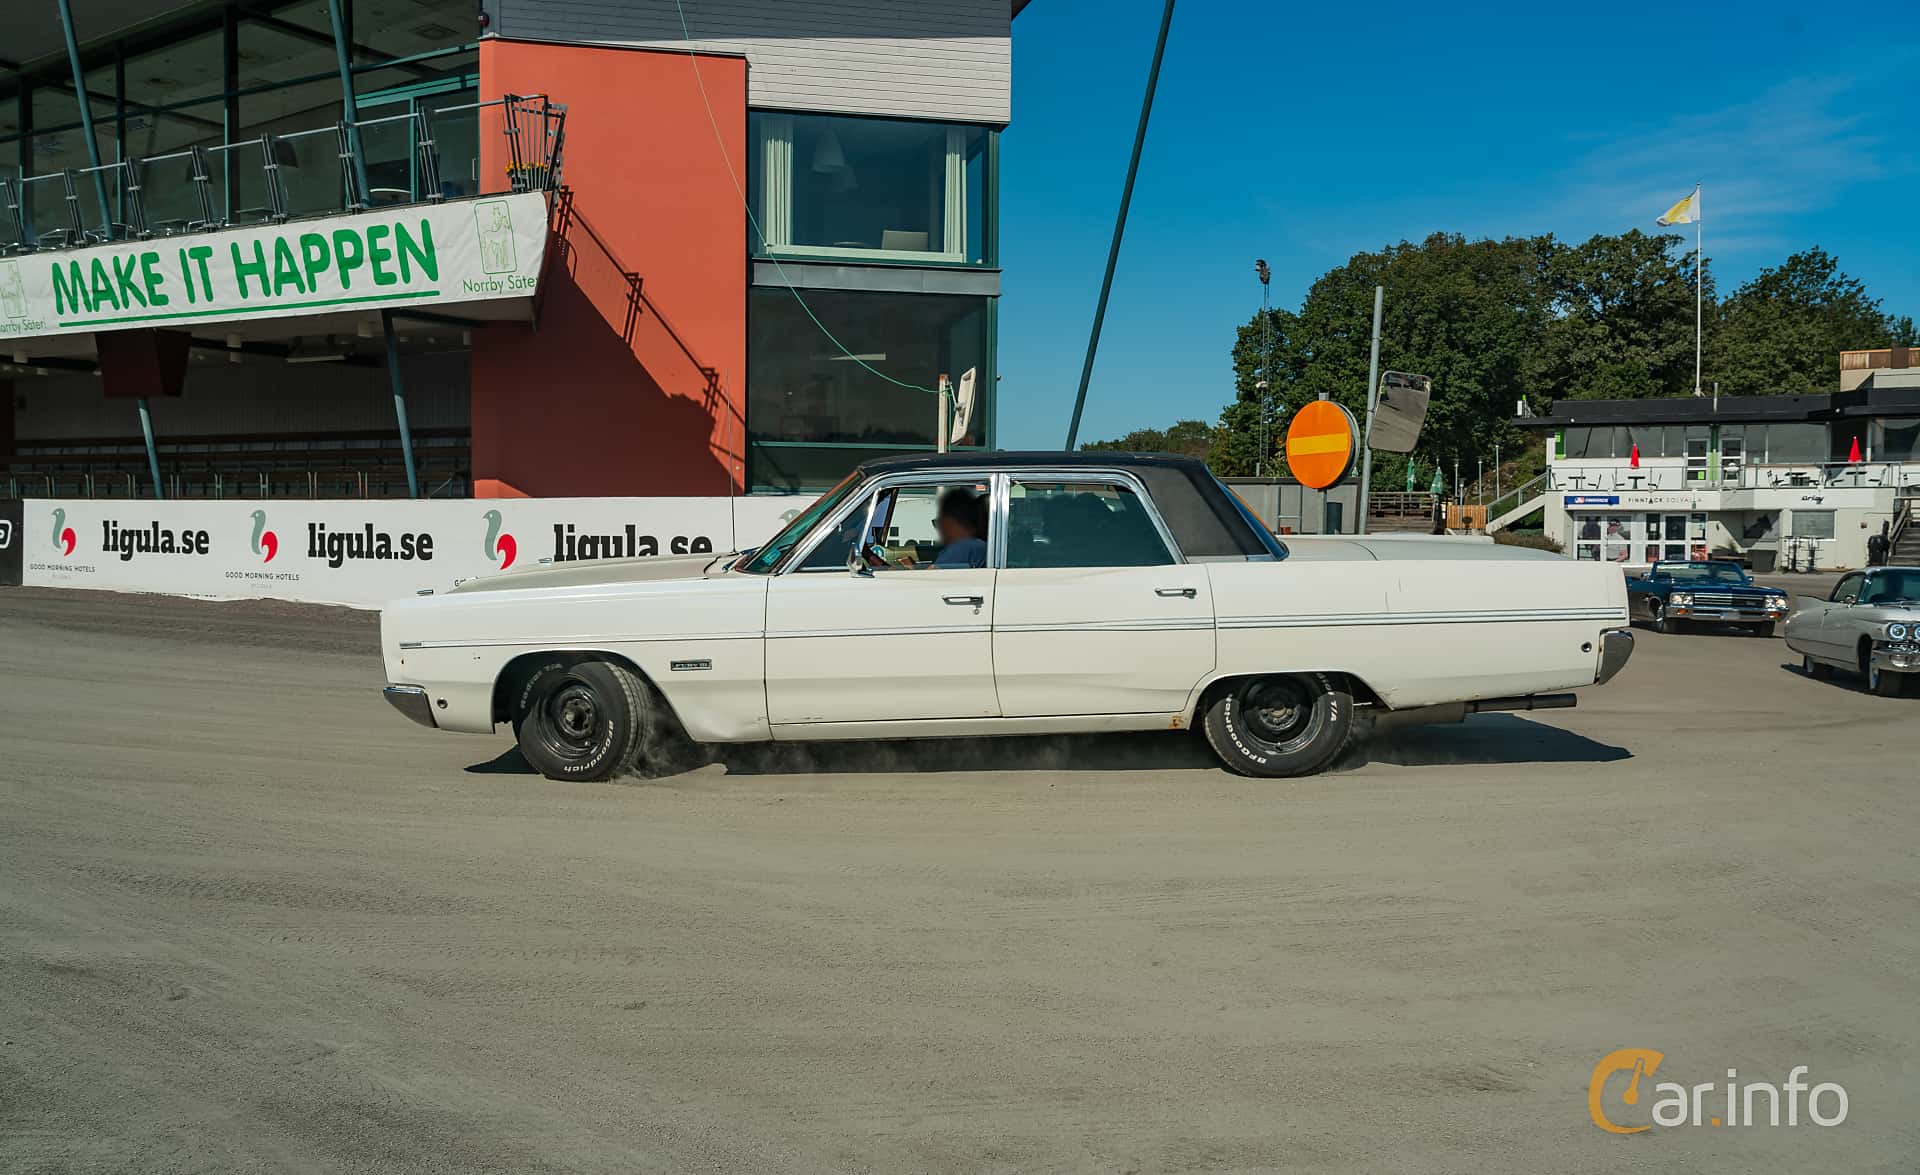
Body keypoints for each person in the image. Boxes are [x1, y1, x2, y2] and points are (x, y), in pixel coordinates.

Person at [895, 487, 987, 569]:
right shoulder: (979, 548)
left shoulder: (965, 547)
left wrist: (909, 569)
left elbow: (929, 581)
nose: (939, 530)